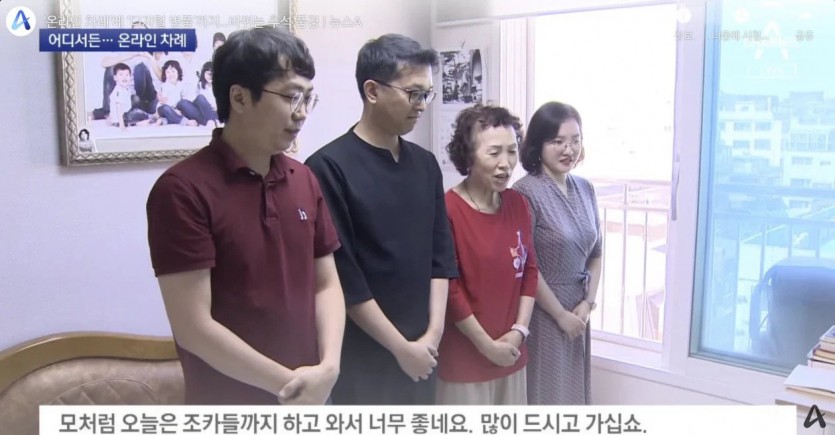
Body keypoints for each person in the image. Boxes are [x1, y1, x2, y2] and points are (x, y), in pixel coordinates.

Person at [146, 26, 344, 405]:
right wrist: (290, 386)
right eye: (291, 96)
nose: (302, 112)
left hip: (312, 395)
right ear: (239, 97)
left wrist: (330, 367)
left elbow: (326, 285)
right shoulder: (182, 190)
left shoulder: (303, 178)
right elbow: (193, 327)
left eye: (308, 98)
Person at [305, 33, 458, 405]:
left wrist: (432, 336)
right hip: (365, 356)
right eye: (413, 93)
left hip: (425, 350)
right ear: (372, 91)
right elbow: (345, 279)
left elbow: (441, 257)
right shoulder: (328, 168)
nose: (421, 105)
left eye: (427, 94)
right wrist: (401, 348)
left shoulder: (425, 164)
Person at [436, 104, 538, 405]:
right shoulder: (448, 209)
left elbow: (529, 270)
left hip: (512, 353)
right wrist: (486, 346)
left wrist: (519, 331)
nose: (506, 164)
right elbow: (450, 289)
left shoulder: (518, 203)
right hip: (465, 361)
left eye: (512, 151)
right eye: (494, 153)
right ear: (468, 156)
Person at [513, 101, 602, 405]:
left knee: (574, 393)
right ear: (539, 144)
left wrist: (587, 304)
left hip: (579, 310)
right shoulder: (525, 192)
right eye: (557, 141)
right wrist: (560, 315)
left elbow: (597, 253)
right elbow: (526, 265)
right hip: (544, 310)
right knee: (547, 395)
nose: (568, 149)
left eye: (575, 140)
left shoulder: (586, 189)